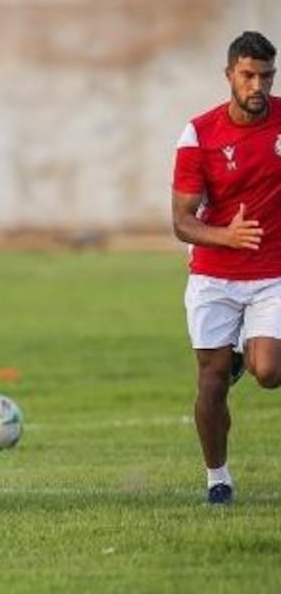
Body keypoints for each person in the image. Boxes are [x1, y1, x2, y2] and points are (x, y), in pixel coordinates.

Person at [172, 30, 281, 506]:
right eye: (249, 76)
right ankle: (217, 477)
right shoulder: (199, 134)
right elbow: (181, 221)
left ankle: (248, 354)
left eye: (267, 76)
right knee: (212, 381)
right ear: (229, 76)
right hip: (214, 274)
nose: (258, 86)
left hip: (272, 271)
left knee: (269, 371)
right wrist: (226, 236)